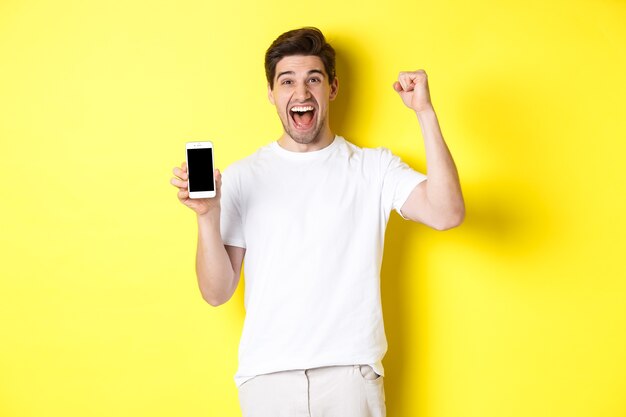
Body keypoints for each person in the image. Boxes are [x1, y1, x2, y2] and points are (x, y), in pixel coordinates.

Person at [170, 27, 464, 417]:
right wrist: (208, 217)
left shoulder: (373, 167)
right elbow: (217, 292)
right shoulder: (242, 177)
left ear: (333, 88)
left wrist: (424, 112)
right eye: (287, 81)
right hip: (268, 380)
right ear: (272, 94)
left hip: (350, 376)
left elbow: (447, 213)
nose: (302, 92)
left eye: (314, 79)